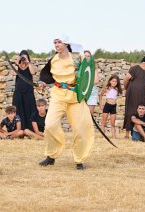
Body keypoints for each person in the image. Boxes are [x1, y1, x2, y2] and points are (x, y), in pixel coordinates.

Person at [38, 35, 95, 170]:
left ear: (66, 43)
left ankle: (79, 160)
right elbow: (45, 75)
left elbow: (88, 73)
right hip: (58, 94)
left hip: (75, 97)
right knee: (50, 124)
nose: (56, 44)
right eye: (55, 42)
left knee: (81, 128)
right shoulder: (53, 60)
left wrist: (84, 91)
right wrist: (42, 82)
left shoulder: (77, 58)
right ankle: (51, 155)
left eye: (59, 42)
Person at [123, 56, 145, 139]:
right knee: (130, 111)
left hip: (141, 94)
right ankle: (127, 134)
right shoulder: (134, 68)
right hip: (132, 93)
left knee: (140, 112)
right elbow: (126, 78)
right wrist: (125, 89)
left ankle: (138, 132)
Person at [12, 50, 37, 131]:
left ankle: (31, 129)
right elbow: (14, 73)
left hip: (28, 91)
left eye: (24, 56)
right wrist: (17, 61)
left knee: (30, 109)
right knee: (18, 110)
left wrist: (28, 62)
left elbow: (33, 72)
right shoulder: (17, 66)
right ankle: (19, 129)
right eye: (22, 56)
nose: (23, 58)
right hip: (18, 92)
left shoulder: (30, 65)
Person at [99, 75, 122, 139]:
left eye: (115, 81)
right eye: (113, 81)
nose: (114, 82)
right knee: (104, 122)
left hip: (113, 106)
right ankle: (103, 136)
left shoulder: (117, 89)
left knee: (113, 123)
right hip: (107, 106)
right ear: (110, 81)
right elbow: (100, 95)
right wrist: (100, 104)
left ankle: (114, 137)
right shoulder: (107, 88)